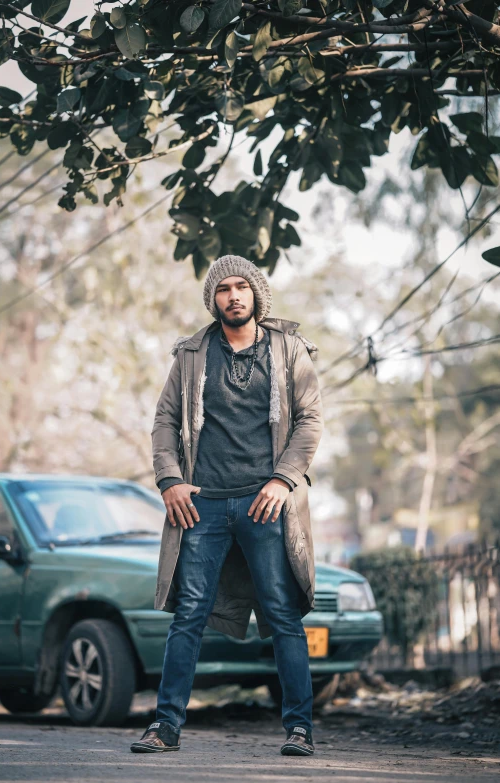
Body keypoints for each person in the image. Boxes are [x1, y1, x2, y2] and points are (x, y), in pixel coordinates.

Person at [130, 254, 323, 757]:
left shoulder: (289, 349)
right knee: (188, 613)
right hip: (202, 506)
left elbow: (309, 421)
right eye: (223, 289)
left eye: (241, 287)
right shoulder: (191, 354)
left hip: (268, 504)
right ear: (213, 300)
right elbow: (164, 422)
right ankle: (165, 726)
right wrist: (169, 480)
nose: (233, 296)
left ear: (256, 294)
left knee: (282, 614)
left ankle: (299, 728)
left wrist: (283, 481)